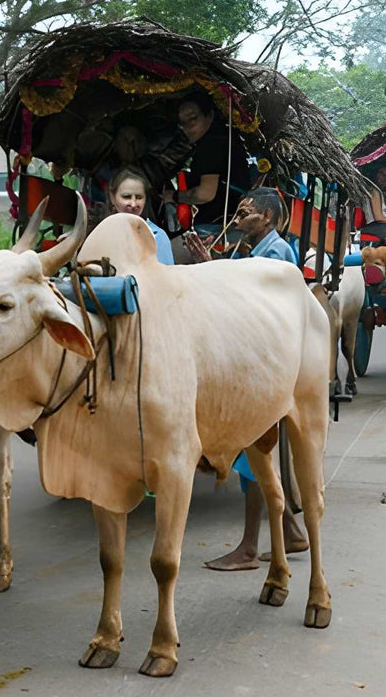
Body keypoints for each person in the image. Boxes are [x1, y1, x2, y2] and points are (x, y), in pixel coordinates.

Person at [185, 188, 310, 570]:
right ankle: (290, 532)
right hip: (254, 364)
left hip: (264, 366)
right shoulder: (251, 251)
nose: (236, 220)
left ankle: (249, 548)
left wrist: (211, 267)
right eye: (238, 213)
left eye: (245, 213)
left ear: (267, 218)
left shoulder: (276, 255)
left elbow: (248, 304)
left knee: (253, 456)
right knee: (258, 457)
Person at [163, 93, 252, 229]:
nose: (187, 127)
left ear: (209, 115)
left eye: (193, 118)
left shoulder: (211, 145)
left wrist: (173, 196)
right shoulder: (221, 138)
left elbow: (204, 194)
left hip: (219, 224)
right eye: (183, 123)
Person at [108, 167, 173, 265]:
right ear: (112, 197)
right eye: (126, 197)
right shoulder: (101, 234)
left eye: (139, 197)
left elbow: (166, 273)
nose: (133, 204)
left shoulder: (157, 237)